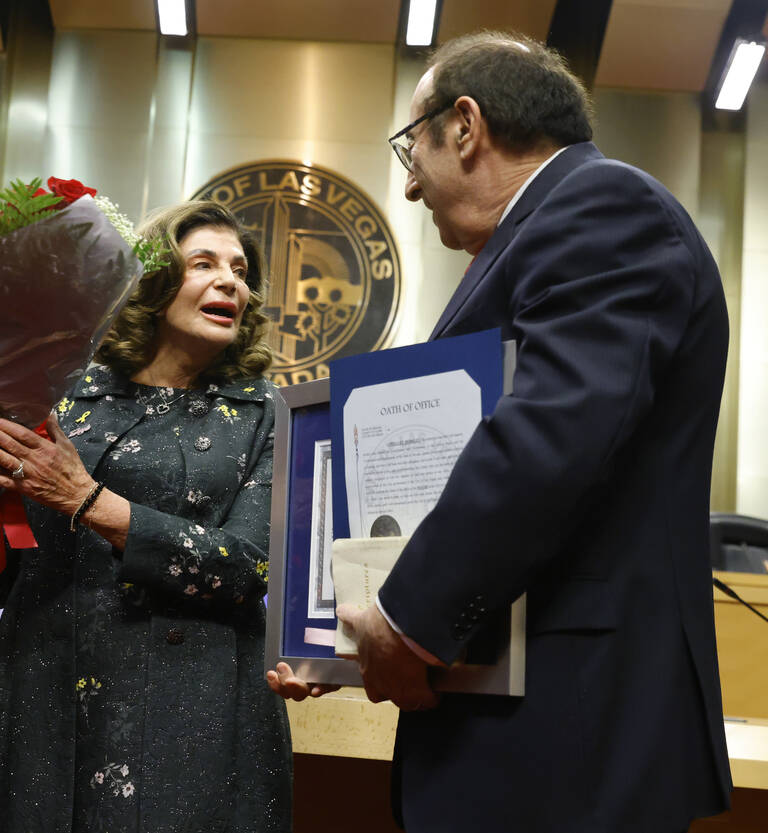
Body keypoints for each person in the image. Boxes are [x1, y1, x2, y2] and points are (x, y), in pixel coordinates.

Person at [269, 32, 732, 833]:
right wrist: (338, 633)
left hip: (573, 724)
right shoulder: (544, 232)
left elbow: (549, 441)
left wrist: (402, 622)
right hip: (520, 720)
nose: (409, 188)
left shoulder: (600, 207)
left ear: (466, 125)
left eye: (410, 148)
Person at [0, 201, 292, 832]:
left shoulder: (267, 412)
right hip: (45, 690)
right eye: (204, 263)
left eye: (239, 269)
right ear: (153, 283)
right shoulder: (63, 392)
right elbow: (16, 562)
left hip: (193, 713)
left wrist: (90, 502)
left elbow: (250, 565)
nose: (231, 280)